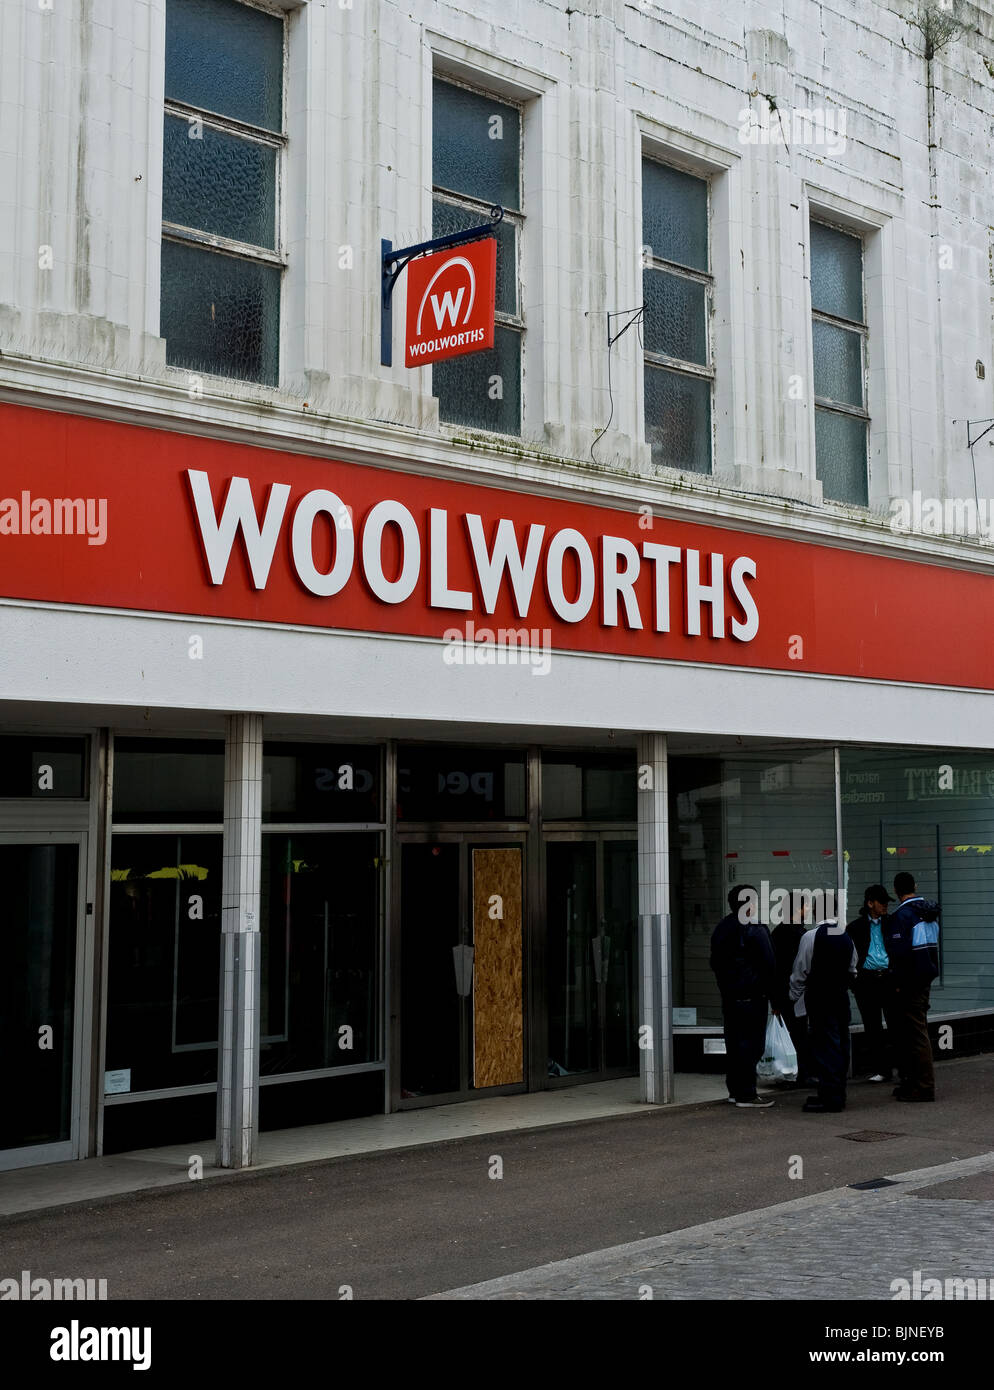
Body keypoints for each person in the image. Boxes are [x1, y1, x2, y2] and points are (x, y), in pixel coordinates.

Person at [710, 884, 778, 1108]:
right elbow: (769, 965)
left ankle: (735, 1090)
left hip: (730, 996)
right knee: (752, 1045)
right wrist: (774, 997)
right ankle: (747, 1093)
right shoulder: (755, 929)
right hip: (753, 996)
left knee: (735, 1043)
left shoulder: (722, 928)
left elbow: (715, 963)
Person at [789, 908, 857, 1112]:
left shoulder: (811, 936)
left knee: (825, 1047)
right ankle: (838, 1093)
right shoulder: (845, 936)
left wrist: (794, 996)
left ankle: (829, 1097)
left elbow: (800, 970)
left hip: (820, 999)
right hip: (840, 998)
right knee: (841, 1044)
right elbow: (853, 967)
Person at [883, 870, 940, 1102]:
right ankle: (914, 1082)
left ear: (896, 891)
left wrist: (897, 983)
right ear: (914, 886)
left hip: (909, 983)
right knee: (916, 1031)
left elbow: (899, 954)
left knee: (914, 1034)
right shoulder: (928, 912)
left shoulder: (903, 916)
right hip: (925, 978)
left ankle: (923, 1085)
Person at [847, 885, 898, 1082]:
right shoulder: (855, 928)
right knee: (872, 1026)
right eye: (881, 902)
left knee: (895, 1024)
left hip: (888, 977)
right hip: (867, 980)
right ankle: (882, 1069)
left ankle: (900, 1067)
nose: (885, 905)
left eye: (886, 902)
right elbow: (850, 958)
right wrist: (856, 983)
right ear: (870, 903)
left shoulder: (892, 923)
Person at [771, 899, 814, 1087]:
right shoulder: (798, 934)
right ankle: (803, 1073)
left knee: (795, 1033)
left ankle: (797, 1072)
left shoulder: (779, 933)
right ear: (796, 909)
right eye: (805, 906)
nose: (809, 909)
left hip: (786, 992)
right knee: (799, 1033)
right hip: (795, 992)